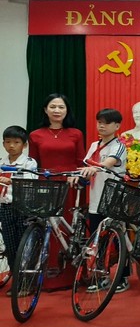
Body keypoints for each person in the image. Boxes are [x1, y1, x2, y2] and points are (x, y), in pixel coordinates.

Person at [28, 93, 85, 289]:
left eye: (61, 107)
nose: (57, 110)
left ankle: (71, 276)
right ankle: (48, 277)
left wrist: (76, 175)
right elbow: (33, 164)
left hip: (70, 185)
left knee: (68, 229)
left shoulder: (76, 133)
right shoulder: (35, 135)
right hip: (46, 186)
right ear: (45, 110)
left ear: (67, 110)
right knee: (47, 228)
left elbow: (80, 161)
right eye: (52, 107)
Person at [79, 109, 129, 292]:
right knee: (98, 241)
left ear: (117, 126)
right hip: (95, 199)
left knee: (117, 239)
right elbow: (85, 165)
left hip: (113, 199)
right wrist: (78, 175)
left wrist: (96, 168)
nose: (101, 126)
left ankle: (123, 277)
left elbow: (109, 162)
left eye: (106, 123)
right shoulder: (94, 145)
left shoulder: (119, 146)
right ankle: (102, 276)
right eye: (99, 122)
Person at [0, 126, 38, 288]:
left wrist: (11, 180)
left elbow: (31, 181)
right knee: (10, 244)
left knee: (25, 245)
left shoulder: (29, 162)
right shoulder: (1, 163)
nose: (12, 146)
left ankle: (27, 281)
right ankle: (17, 280)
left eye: (16, 142)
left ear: (24, 145)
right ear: (3, 144)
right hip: (5, 206)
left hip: (23, 207)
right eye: (8, 142)